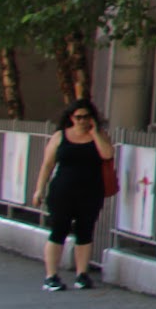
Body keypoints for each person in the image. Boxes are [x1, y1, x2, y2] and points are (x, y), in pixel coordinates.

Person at [32, 101, 114, 291]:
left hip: (91, 191)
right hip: (63, 191)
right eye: (78, 117)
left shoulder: (99, 136)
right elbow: (47, 164)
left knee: (85, 231)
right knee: (58, 230)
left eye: (86, 117)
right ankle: (51, 276)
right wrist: (39, 189)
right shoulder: (60, 136)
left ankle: (82, 274)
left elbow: (108, 154)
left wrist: (94, 133)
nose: (82, 121)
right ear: (71, 118)